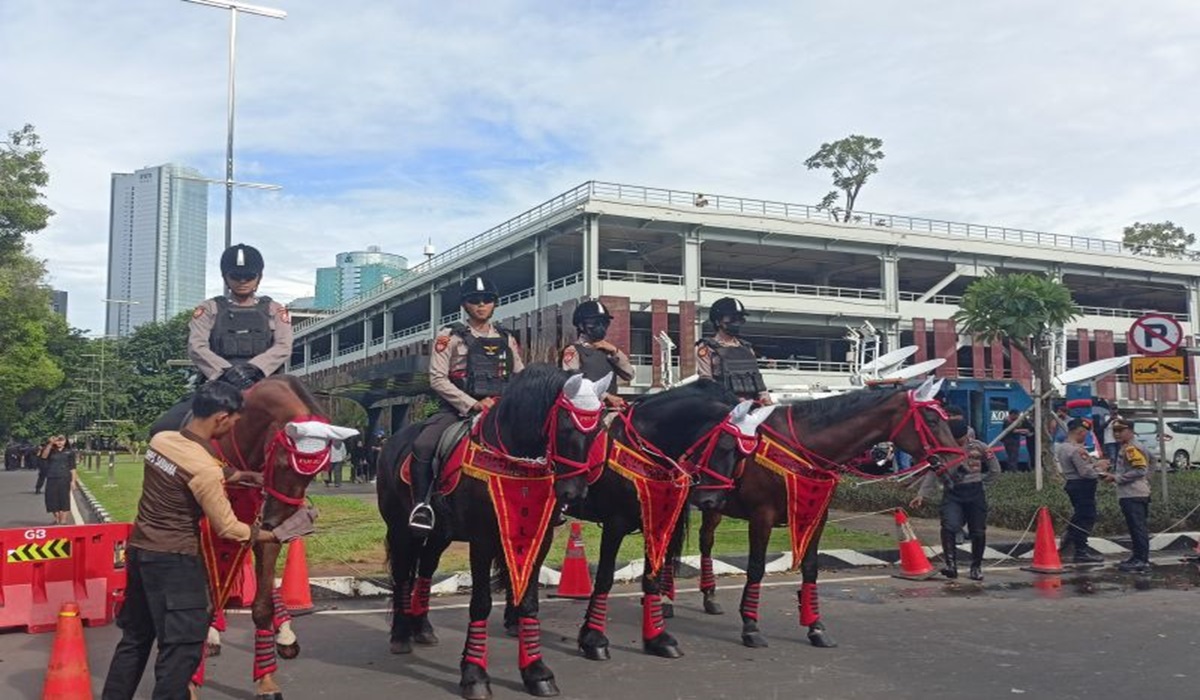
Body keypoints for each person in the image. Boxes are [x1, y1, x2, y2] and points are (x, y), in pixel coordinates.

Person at [101, 381, 279, 700]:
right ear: (221, 418)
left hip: (141, 552)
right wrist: (270, 534)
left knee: (136, 639)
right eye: (235, 422)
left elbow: (190, 467)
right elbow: (228, 528)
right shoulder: (205, 472)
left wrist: (242, 476)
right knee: (180, 649)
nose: (234, 428)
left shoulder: (161, 441)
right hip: (175, 561)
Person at [407, 276, 524, 534]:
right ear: (465, 304)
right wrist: (472, 404)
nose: (481, 305)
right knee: (423, 444)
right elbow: (437, 378)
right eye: (474, 301)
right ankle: (421, 505)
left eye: (487, 300)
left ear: (495, 304)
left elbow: (519, 376)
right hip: (457, 410)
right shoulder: (448, 336)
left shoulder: (507, 338)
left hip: (501, 410)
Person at [189, 243, 293, 390]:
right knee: (178, 413)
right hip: (219, 383)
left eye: (249, 276)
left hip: (266, 383)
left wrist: (254, 368)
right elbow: (196, 346)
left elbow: (284, 346)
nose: (242, 281)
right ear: (225, 277)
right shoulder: (208, 308)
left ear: (259, 277)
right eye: (236, 276)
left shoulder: (275, 309)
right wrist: (227, 372)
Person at [910, 420, 1001, 581]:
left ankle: (976, 567)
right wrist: (922, 494)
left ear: (966, 434)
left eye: (960, 438)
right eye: (954, 438)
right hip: (953, 494)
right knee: (948, 526)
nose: (958, 441)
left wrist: (982, 483)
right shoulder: (942, 450)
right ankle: (951, 565)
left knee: (978, 531)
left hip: (975, 493)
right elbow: (933, 473)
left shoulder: (979, 447)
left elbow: (995, 469)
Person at [695, 296, 772, 404]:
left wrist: (765, 398)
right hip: (723, 405)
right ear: (718, 321)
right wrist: (733, 400)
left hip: (753, 404)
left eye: (740, 319)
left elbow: (757, 378)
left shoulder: (747, 347)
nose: (736, 323)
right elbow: (707, 381)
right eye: (732, 318)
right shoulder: (707, 347)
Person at [1101, 419, 1152, 573]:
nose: (1117, 434)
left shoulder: (1131, 448)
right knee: (1135, 527)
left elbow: (1140, 469)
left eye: (1120, 431)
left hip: (1133, 493)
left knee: (1138, 528)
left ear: (1130, 431)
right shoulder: (1129, 446)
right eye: (1115, 431)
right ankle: (1137, 556)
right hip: (1134, 492)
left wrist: (1117, 478)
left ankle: (1141, 560)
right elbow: (1152, 460)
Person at [560, 300, 631, 408]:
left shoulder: (608, 350)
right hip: (584, 413)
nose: (601, 327)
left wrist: (615, 351)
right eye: (594, 322)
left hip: (610, 411)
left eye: (604, 323)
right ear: (581, 325)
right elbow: (573, 384)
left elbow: (629, 375)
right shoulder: (572, 350)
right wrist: (606, 396)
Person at [1054, 418, 1107, 564]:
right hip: (1082, 485)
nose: (1086, 436)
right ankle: (1081, 550)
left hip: (1072, 483)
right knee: (1086, 517)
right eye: (1085, 433)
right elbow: (1085, 472)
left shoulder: (1063, 447)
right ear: (1080, 432)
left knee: (1079, 515)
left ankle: (1070, 541)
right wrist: (1100, 468)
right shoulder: (1077, 450)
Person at [39, 435, 76, 525]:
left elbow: (73, 468)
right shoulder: (51, 451)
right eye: (58, 441)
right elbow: (43, 456)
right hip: (52, 477)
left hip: (64, 477)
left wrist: (73, 481)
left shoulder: (69, 452)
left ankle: (63, 520)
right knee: (51, 499)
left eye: (62, 440)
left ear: (65, 441)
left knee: (64, 498)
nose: (59, 442)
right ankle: (57, 518)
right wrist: (50, 443)